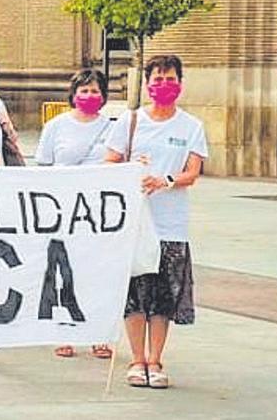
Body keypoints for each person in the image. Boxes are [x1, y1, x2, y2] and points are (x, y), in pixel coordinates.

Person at [106, 54, 208, 390]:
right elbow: (110, 162)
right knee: (136, 295)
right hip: (136, 222)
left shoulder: (191, 126)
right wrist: (133, 171)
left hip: (171, 225)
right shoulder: (131, 121)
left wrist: (165, 179)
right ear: (146, 83)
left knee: (164, 297)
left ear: (180, 83)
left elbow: (192, 173)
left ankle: (156, 359)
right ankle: (136, 359)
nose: (163, 85)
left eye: (170, 79)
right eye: (157, 79)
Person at [37, 68, 114, 360]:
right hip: (62, 210)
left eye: (95, 91)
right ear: (73, 94)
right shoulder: (56, 126)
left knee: (96, 272)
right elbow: (43, 167)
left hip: (99, 213)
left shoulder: (112, 127)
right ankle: (64, 331)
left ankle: (98, 333)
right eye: (84, 90)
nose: (89, 96)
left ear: (103, 95)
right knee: (62, 271)